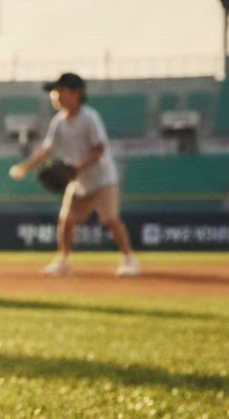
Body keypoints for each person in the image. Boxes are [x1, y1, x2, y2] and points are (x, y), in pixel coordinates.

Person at [9, 72, 141, 277]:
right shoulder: (59, 122)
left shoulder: (89, 118)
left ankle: (129, 259)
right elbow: (46, 149)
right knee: (66, 221)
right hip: (78, 181)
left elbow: (99, 149)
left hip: (102, 179)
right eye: (55, 92)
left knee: (110, 220)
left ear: (76, 93)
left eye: (60, 91)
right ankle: (63, 261)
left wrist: (76, 168)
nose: (56, 95)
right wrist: (25, 167)